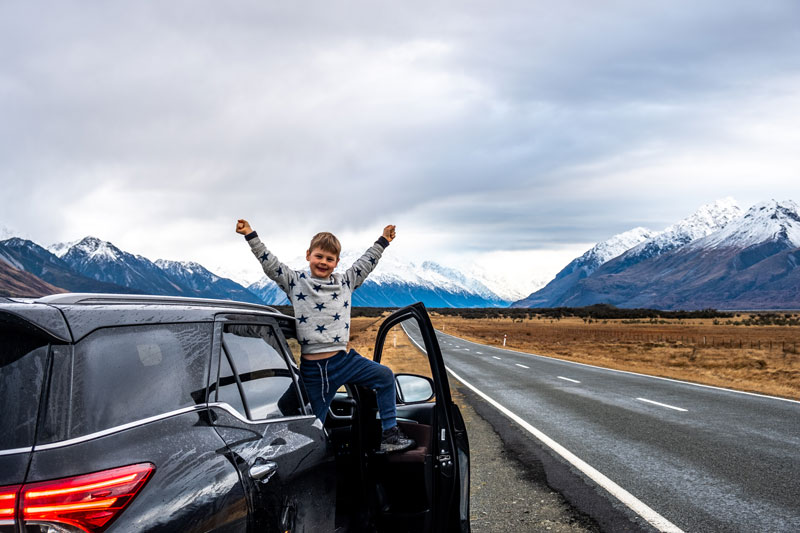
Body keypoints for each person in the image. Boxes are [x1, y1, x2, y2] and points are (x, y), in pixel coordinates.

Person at [235, 219, 415, 453]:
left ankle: (390, 435)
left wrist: (383, 241)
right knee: (316, 426)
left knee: (384, 376)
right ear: (308, 255)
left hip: (344, 360)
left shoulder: (346, 281)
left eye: (330, 259)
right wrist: (250, 235)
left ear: (337, 262)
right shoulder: (296, 282)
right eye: (319, 256)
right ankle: (284, 451)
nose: (323, 262)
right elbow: (270, 264)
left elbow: (366, 263)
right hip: (316, 369)